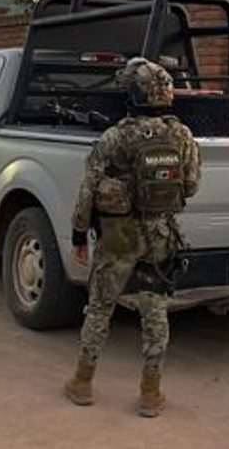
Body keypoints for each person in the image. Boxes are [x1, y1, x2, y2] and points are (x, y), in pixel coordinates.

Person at [63, 58, 200, 418]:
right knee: (154, 308)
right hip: (160, 234)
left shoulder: (114, 137)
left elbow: (88, 189)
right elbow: (192, 185)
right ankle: (150, 392)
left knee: (100, 307)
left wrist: (79, 231)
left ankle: (82, 382)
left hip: (119, 234)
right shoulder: (181, 135)